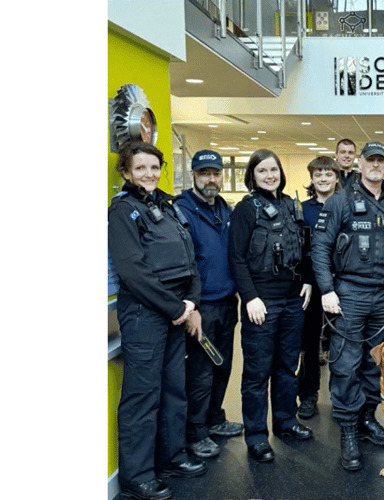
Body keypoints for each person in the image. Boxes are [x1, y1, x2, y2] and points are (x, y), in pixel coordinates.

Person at [108, 141, 206, 500]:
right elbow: (133, 271)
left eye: (153, 168)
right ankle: (137, 476)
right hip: (146, 314)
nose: (148, 174)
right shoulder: (122, 211)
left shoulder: (167, 206)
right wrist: (177, 308)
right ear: (126, 172)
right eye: (140, 168)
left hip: (176, 310)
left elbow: (190, 258)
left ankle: (171, 456)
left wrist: (191, 302)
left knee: (173, 389)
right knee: (143, 396)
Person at [311, 140, 384, 472]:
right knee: (345, 364)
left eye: (380, 160)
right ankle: (348, 430)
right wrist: (327, 290)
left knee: (379, 364)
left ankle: (368, 420)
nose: (375, 165)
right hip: (349, 294)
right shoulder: (341, 202)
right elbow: (320, 248)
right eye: (369, 160)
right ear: (359, 164)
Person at [228, 149, 314, 463]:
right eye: (262, 170)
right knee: (257, 373)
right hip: (261, 303)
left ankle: (286, 421)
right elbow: (236, 258)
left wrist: (306, 279)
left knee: (287, 368)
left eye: (273, 170)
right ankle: (256, 436)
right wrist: (250, 297)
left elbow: (304, 248)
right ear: (253, 175)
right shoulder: (246, 210)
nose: (269, 175)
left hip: (293, 301)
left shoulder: (292, 206)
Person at [174, 150, 243, 460]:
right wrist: (191, 307)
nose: (211, 179)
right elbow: (183, 265)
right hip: (201, 309)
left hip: (227, 304)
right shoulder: (182, 211)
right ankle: (196, 432)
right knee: (200, 373)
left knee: (222, 366)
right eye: (205, 173)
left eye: (215, 173)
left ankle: (215, 419)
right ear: (193, 176)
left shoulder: (224, 210)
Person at [297, 155, 340, 419]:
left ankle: (340, 397)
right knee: (309, 343)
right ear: (311, 178)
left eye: (328, 174)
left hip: (340, 285)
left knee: (340, 344)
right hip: (310, 286)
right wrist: (307, 280)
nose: (323, 179)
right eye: (318, 174)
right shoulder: (302, 210)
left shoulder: (346, 206)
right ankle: (308, 396)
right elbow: (299, 251)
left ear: (337, 177)